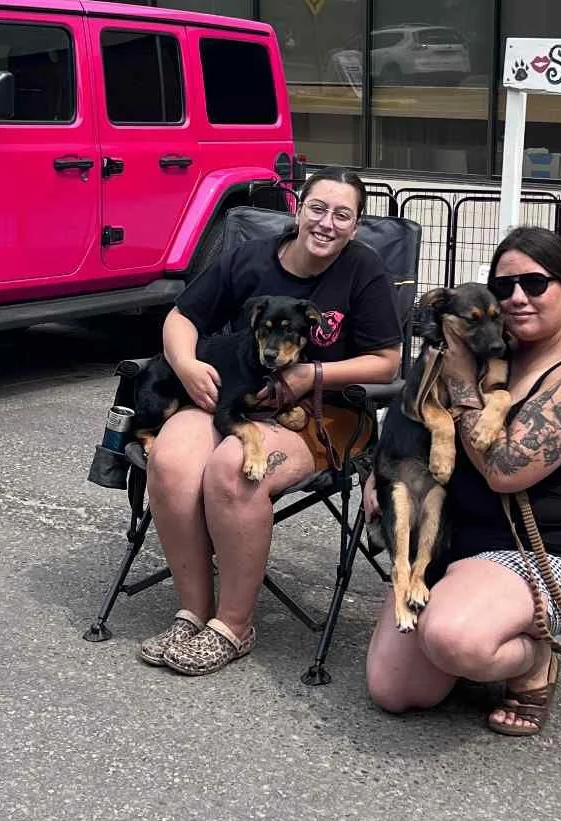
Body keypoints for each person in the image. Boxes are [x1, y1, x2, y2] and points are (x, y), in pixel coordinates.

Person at [142, 169, 403, 677]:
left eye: (342, 215)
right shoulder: (250, 257)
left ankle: (234, 626)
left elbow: (387, 363)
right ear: (298, 208)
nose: (327, 223)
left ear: (356, 224)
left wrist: (312, 373)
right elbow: (181, 318)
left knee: (234, 467)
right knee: (171, 462)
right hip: (236, 397)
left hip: (331, 412)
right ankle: (193, 612)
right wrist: (187, 366)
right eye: (318, 209)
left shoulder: (363, 270)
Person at [365, 226, 561, 737]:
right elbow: (409, 416)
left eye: (536, 283)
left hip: (538, 554)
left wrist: (460, 379)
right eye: (505, 288)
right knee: (393, 690)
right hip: (456, 542)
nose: (518, 298)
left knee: (455, 638)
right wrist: (380, 474)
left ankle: (530, 662)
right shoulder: (500, 349)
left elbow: (505, 471)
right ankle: (468, 634)